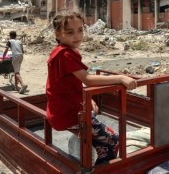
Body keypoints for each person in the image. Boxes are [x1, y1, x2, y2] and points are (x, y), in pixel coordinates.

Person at [46, 11, 137, 165]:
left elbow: (67, 85)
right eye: (70, 32)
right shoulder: (65, 54)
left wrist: (85, 99)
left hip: (62, 110)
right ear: (58, 34)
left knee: (103, 139)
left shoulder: (61, 52)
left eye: (80, 30)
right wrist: (121, 77)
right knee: (113, 140)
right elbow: (87, 80)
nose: (77, 36)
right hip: (68, 114)